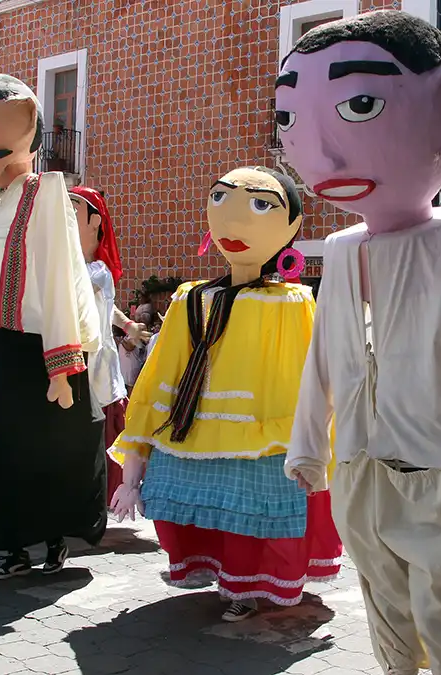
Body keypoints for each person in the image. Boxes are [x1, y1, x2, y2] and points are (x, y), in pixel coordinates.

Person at [278, 11, 441, 674]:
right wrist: (309, 443)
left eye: (360, 105)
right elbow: (325, 355)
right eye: (291, 118)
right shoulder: (337, 248)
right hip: (362, 468)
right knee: (387, 614)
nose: (323, 155)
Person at [110, 166, 341, 622]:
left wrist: (314, 440)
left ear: (292, 226)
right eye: (220, 199)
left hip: (265, 433)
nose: (233, 221)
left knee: (257, 510)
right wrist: (136, 456)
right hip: (191, 425)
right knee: (209, 506)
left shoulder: (292, 303)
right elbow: (162, 373)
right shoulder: (190, 298)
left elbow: (313, 375)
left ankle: (249, 584)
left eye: (260, 204)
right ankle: (219, 573)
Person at [0, 74, 107, 579]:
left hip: (28, 353)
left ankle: (52, 542)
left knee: (40, 454)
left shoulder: (45, 195)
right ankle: (10, 545)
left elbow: (59, 277)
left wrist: (61, 364)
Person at [68, 186, 146, 505]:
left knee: (93, 436)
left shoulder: (95, 271)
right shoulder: (73, 269)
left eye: (72, 211)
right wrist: (127, 324)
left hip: (94, 367)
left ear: (95, 221)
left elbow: (99, 299)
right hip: (71, 363)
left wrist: (127, 325)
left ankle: (90, 501)